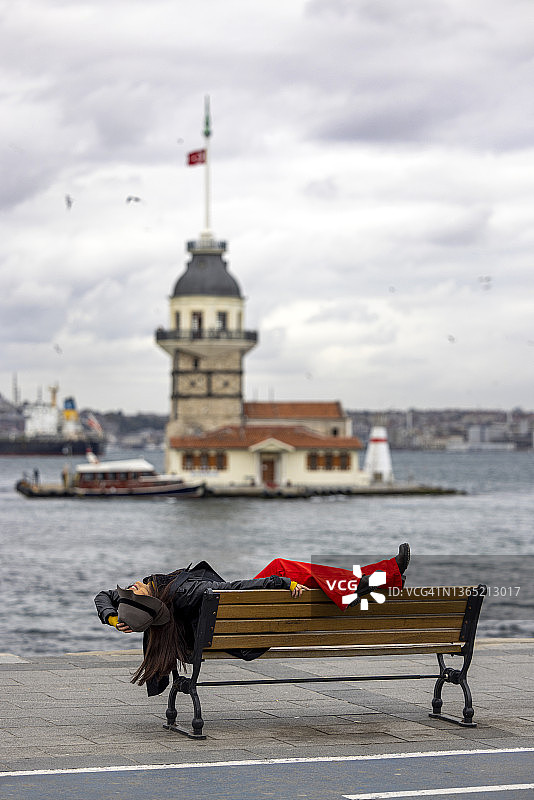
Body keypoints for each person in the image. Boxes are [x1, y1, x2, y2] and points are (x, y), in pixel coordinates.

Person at [94, 544, 410, 696]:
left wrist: (111, 618)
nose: (130, 586)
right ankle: (384, 575)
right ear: (146, 600)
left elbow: (103, 595)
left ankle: (381, 577)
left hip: (227, 629)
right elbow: (230, 589)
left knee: (304, 577)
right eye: (132, 592)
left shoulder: (158, 592)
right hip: (248, 631)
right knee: (286, 569)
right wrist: (280, 584)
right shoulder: (185, 591)